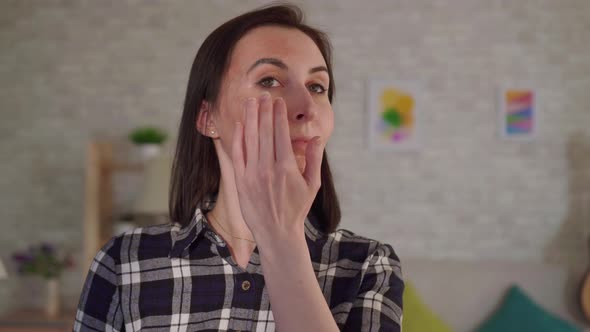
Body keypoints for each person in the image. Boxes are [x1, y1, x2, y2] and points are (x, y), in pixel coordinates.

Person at [75, 4, 403, 331]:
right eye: (270, 80)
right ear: (208, 117)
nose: (306, 107)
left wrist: (282, 238)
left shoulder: (367, 266)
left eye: (317, 87)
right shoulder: (124, 261)